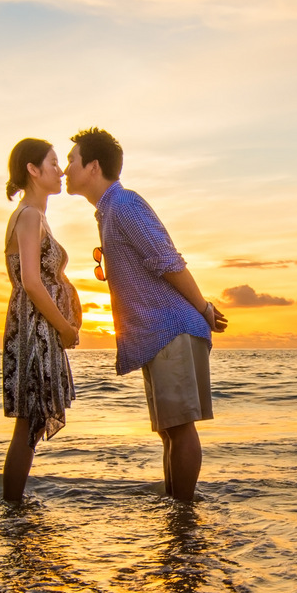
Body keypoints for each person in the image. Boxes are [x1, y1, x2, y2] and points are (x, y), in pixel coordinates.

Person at [64, 127, 227, 501]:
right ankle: (176, 512)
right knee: (169, 430)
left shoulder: (124, 205)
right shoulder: (108, 211)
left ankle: (183, 518)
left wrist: (203, 308)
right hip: (157, 334)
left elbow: (167, 260)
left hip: (172, 328)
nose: (66, 169)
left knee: (180, 429)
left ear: (93, 166)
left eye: (72, 160)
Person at [1, 137, 81, 502]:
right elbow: (31, 281)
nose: (60, 170)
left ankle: (14, 509)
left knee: (30, 425)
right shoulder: (30, 215)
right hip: (34, 328)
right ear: (33, 170)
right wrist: (64, 327)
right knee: (28, 424)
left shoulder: (34, 215)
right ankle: (13, 509)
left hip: (37, 326)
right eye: (52, 163)